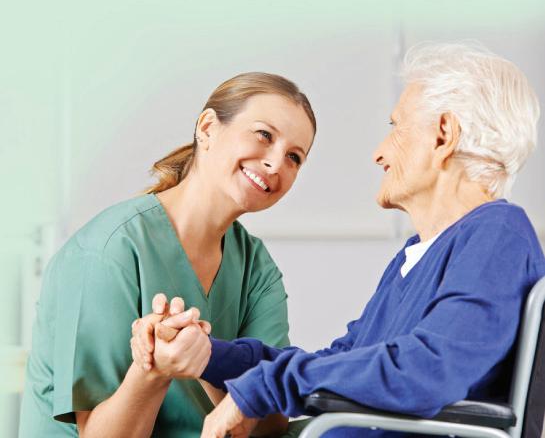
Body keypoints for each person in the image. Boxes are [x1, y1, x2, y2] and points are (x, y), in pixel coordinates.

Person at [132, 43, 545, 438]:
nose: (379, 154)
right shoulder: (421, 253)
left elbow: (430, 370)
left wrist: (263, 389)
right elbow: (345, 360)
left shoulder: (497, 237)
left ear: (443, 135)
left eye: (396, 127)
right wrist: (210, 354)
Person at [19, 72, 317, 437]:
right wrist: (155, 369)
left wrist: (208, 360)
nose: (275, 163)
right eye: (264, 135)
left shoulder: (255, 266)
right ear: (207, 128)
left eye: (293, 157)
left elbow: (270, 425)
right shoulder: (107, 251)